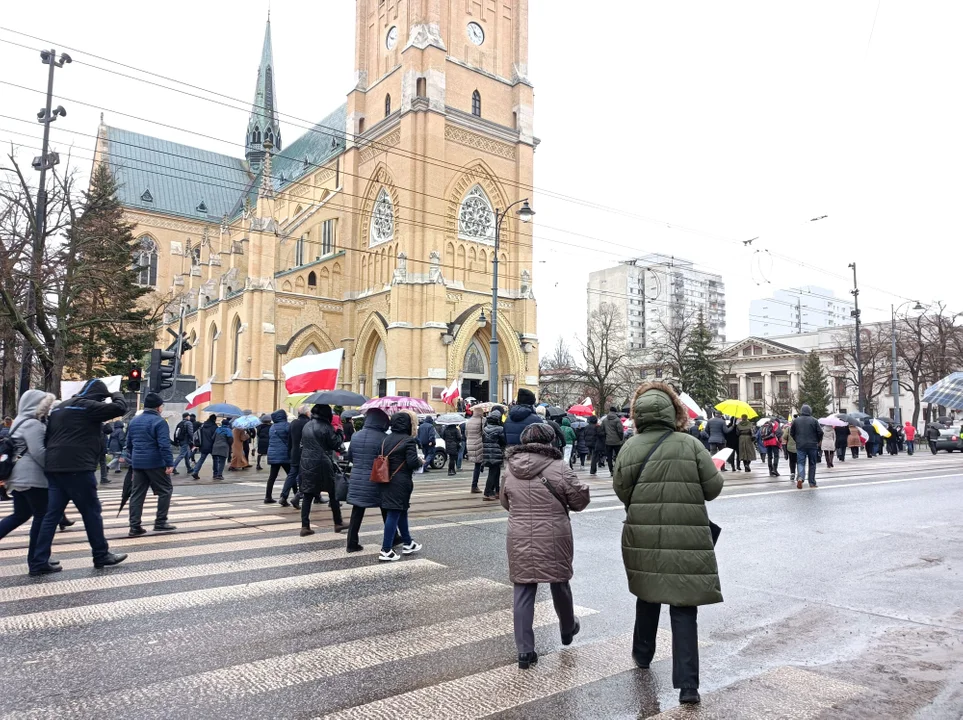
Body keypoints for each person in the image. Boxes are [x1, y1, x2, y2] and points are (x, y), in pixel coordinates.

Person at [613, 381, 724, 706]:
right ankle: (688, 686)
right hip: (688, 536)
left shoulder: (630, 447)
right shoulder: (690, 445)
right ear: (675, 411)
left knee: (648, 594)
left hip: (643, 534)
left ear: (638, 415)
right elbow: (712, 489)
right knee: (684, 607)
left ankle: (643, 654)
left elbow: (622, 490)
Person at [500, 422, 590, 670]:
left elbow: (504, 501)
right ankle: (567, 627)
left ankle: (525, 651)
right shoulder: (559, 467)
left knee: (523, 588)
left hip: (518, 534)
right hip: (554, 533)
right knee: (559, 581)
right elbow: (579, 501)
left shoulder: (509, 468)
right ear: (550, 441)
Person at [30, 379, 128, 575]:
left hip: (54, 467)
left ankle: (38, 561)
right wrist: (115, 393)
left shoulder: (61, 407)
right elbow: (120, 408)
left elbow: (50, 436)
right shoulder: (88, 406)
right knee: (91, 511)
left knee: (51, 515)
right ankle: (101, 555)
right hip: (77, 467)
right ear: (98, 397)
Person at [0, 391, 57, 569]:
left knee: (21, 514)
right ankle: (37, 560)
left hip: (17, 477)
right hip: (32, 477)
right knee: (43, 516)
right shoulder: (33, 423)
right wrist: (54, 466)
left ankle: (39, 557)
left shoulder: (19, 421)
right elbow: (38, 452)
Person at [344, 408, 396, 552]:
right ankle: (393, 537)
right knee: (385, 507)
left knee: (357, 511)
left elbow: (350, 458)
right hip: (376, 479)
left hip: (357, 478)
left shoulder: (356, 436)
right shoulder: (384, 438)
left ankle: (351, 543)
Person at [125, 392, 176, 536]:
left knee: (137, 494)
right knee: (166, 489)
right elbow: (164, 445)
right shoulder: (160, 422)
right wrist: (169, 463)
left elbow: (128, 444)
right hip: (155, 462)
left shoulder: (134, 421)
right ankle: (160, 522)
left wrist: (132, 459)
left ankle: (134, 526)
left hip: (138, 463)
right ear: (158, 407)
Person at [377, 410, 423, 561]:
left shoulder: (386, 439)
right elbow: (411, 463)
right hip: (400, 481)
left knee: (401, 510)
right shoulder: (409, 440)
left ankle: (408, 543)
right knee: (394, 513)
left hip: (386, 480)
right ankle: (386, 550)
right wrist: (420, 461)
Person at [298, 404, 346, 536]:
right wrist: (340, 432)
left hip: (306, 462)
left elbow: (302, 444)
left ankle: (305, 526)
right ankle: (338, 522)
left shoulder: (307, 425)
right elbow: (335, 444)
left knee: (308, 494)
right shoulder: (326, 426)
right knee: (333, 491)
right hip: (322, 463)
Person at [281, 406, 309, 508]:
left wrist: (290, 452)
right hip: (305, 453)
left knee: (292, 475)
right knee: (305, 475)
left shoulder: (293, 423)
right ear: (306, 413)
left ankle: (283, 496)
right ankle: (298, 497)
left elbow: (290, 440)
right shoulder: (308, 423)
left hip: (294, 452)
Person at [791, 404, 822, 489]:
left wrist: (797, 440)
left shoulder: (796, 421)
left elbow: (792, 432)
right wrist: (818, 440)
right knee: (812, 464)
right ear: (810, 411)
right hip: (812, 445)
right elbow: (820, 432)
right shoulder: (814, 420)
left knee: (801, 463)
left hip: (800, 445)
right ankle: (812, 483)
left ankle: (800, 477)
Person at [264, 409, 291, 504]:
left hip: (273, 454)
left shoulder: (272, 427)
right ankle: (295, 495)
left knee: (272, 477)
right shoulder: (287, 425)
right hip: (284, 455)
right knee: (291, 475)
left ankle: (268, 496)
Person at [482, 409, 507, 501]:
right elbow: (503, 440)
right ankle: (487, 492)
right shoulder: (500, 429)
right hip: (496, 452)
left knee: (494, 472)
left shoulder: (485, 428)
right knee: (493, 473)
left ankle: (496, 491)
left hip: (487, 452)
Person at [465, 406, 486, 493]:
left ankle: (474, 485)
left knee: (477, 465)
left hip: (470, 444)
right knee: (478, 465)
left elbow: (466, 434)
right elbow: (484, 433)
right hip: (479, 444)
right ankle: (474, 486)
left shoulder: (468, 421)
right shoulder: (482, 420)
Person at [601, 406, 625, 473]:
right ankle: (617, 469)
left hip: (608, 441)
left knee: (609, 457)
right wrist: (621, 438)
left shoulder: (605, 420)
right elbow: (620, 431)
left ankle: (611, 470)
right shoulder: (617, 420)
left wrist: (605, 437)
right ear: (615, 412)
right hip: (617, 441)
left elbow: (601, 430)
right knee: (618, 456)